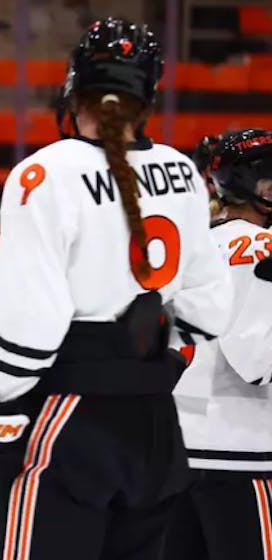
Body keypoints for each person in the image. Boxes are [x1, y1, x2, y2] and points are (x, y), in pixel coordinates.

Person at [0, 17, 234, 559]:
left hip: (69, 420)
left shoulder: (44, 174)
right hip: (156, 429)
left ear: (75, 88)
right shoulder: (185, 175)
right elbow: (211, 310)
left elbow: (32, 327)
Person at [165, 128, 272, 560]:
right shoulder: (263, 247)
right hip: (246, 460)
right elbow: (257, 361)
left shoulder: (189, 245)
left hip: (175, 459)